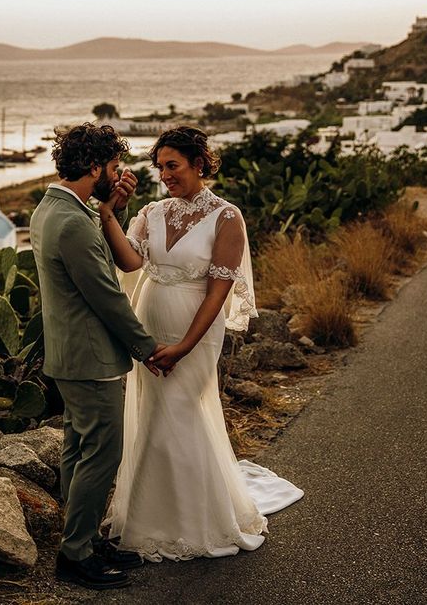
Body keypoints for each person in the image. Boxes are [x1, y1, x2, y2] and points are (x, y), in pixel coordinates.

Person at [99, 126, 303, 562]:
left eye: (172, 166)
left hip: (195, 330)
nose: (165, 175)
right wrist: (110, 213)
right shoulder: (151, 211)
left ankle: (193, 523)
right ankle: (149, 519)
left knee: (179, 413)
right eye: (159, 168)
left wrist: (187, 345)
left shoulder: (226, 217)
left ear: (199, 163)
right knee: (153, 416)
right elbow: (130, 259)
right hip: (149, 322)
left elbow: (218, 291)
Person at [29, 123, 165, 589]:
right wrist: (147, 349)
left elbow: (96, 239)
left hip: (67, 354)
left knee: (77, 449)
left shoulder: (53, 208)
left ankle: (81, 536)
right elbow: (107, 296)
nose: (119, 173)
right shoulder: (71, 223)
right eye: (113, 167)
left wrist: (109, 208)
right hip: (90, 358)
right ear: (93, 168)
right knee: (102, 454)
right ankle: (75, 554)